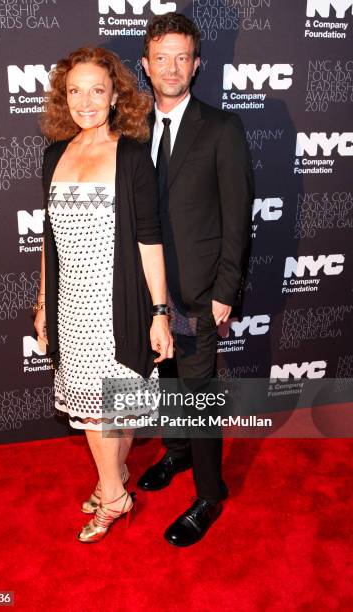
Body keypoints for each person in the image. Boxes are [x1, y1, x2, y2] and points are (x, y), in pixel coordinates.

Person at [34, 46, 173, 543]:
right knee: (101, 408)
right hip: (71, 306)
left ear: (116, 94)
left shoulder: (131, 157)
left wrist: (160, 312)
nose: (86, 101)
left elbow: (149, 239)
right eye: (75, 91)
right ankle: (112, 482)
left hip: (119, 304)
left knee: (114, 405)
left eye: (97, 89)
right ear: (62, 97)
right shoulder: (55, 155)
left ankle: (114, 496)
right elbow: (49, 242)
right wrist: (42, 304)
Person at [138, 13, 254, 546]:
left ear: (197, 64)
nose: (171, 67)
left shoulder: (222, 128)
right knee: (166, 383)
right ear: (145, 65)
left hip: (202, 291)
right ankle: (178, 454)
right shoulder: (134, 131)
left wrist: (226, 292)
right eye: (161, 56)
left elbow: (238, 218)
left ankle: (209, 493)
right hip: (148, 291)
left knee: (199, 392)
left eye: (182, 56)